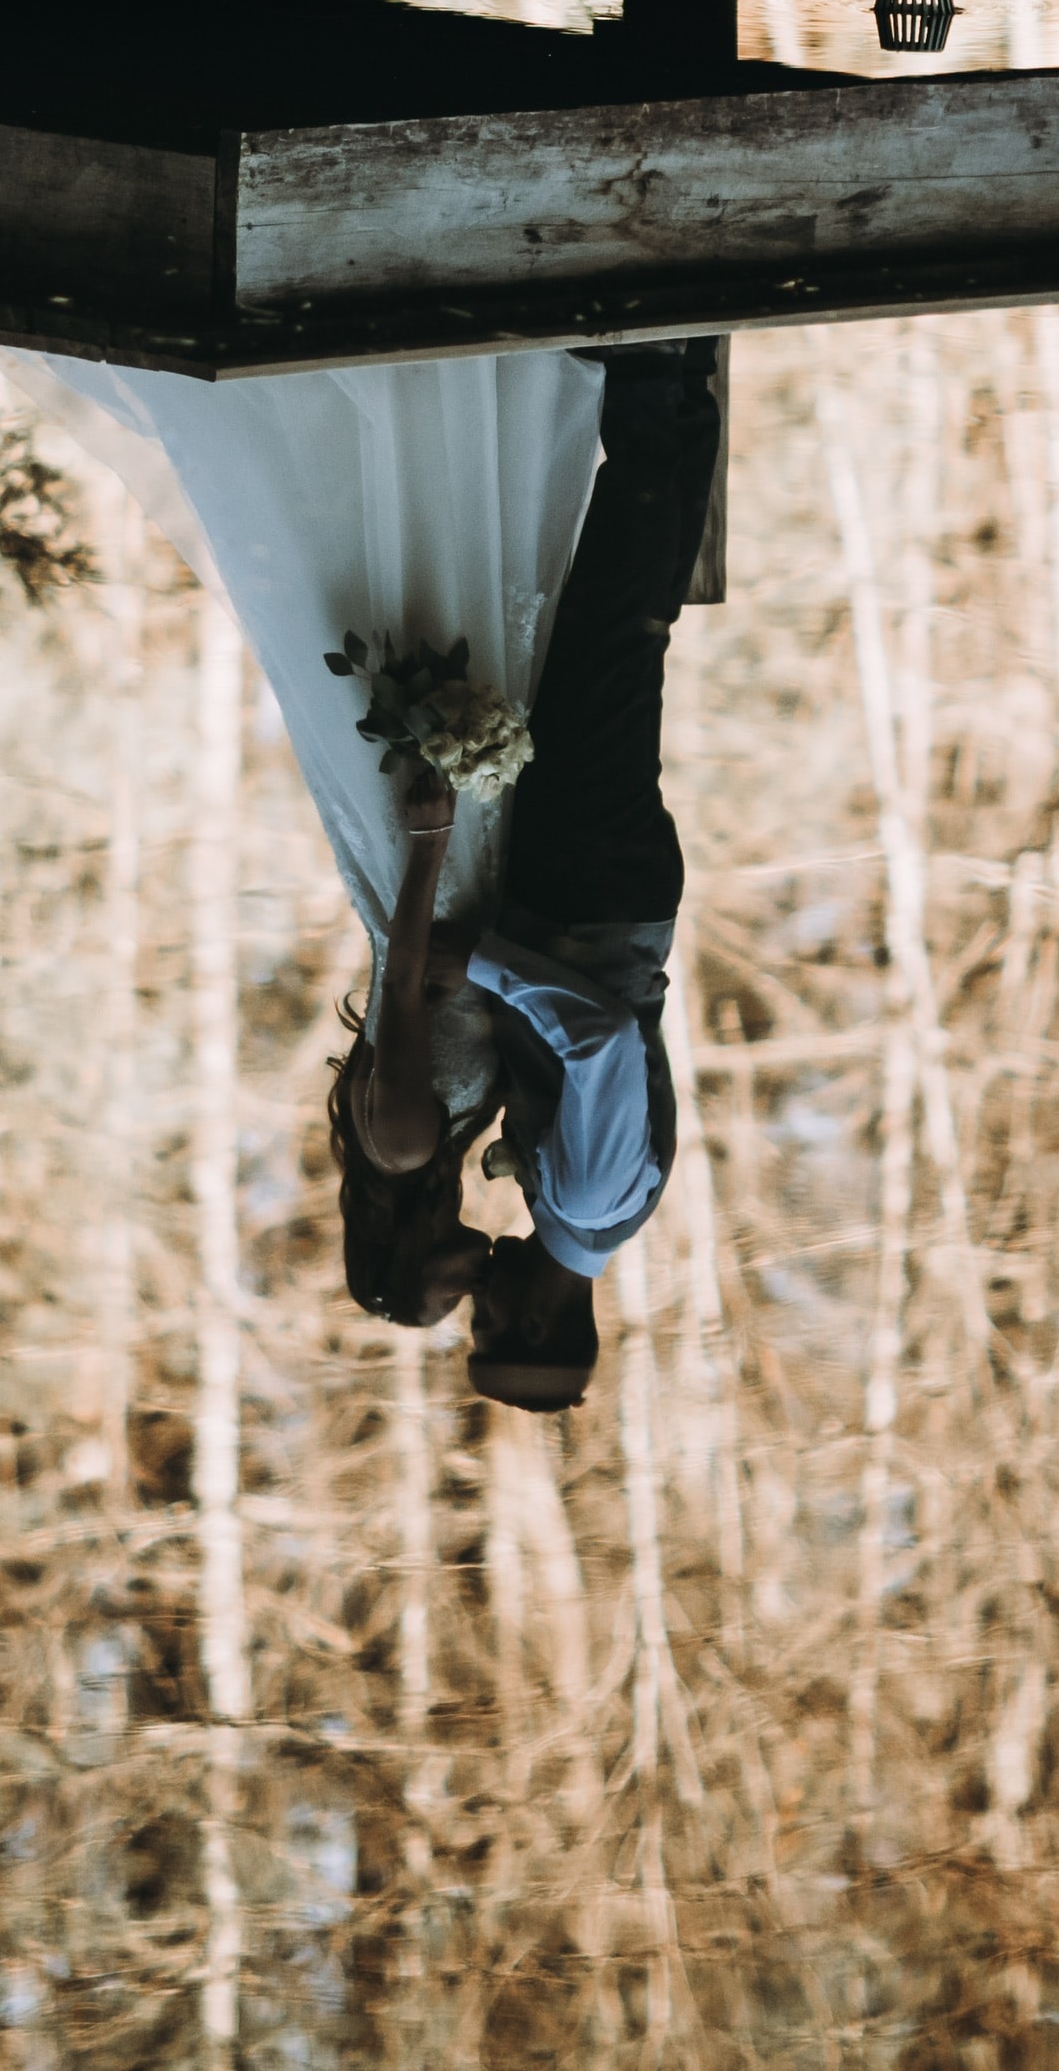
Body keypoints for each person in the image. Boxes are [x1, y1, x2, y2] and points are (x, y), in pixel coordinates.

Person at [329, 339, 716, 1409]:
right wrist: (489, 968)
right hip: (600, 896)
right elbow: (597, 1041)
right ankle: (662, 386)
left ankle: (654, 393)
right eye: (492, 1328)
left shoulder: (565, 1209)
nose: (482, 1306)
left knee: (598, 645)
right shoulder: (591, 1200)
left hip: (581, 896)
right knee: (617, 641)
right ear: (539, 1323)